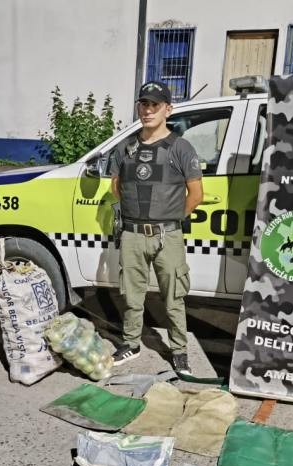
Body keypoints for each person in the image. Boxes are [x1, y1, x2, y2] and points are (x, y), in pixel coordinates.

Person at [109, 80, 203, 375]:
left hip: (168, 235)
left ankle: (178, 350)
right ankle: (131, 343)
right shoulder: (125, 147)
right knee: (132, 294)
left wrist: (172, 219)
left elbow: (196, 195)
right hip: (133, 234)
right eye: (144, 104)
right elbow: (116, 188)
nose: (148, 110)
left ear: (168, 109)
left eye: (155, 105)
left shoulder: (181, 148)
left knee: (174, 296)